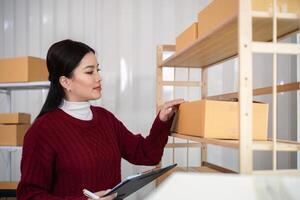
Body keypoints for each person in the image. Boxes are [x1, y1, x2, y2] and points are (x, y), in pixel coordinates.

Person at [17, 39, 184, 200]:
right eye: (90, 72)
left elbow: (147, 155)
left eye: (98, 70)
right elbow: (29, 195)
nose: (98, 77)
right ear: (66, 81)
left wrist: (162, 120)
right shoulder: (42, 131)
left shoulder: (105, 119)